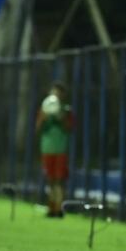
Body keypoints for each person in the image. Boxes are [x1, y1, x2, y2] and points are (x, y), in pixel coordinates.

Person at [36, 82, 73, 218]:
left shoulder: (67, 110)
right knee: (50, 179)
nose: (56, 94)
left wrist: (61, 117)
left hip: (60, 150)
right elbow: (38, 128)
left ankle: (59, 208)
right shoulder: (45, 107)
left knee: (59, 179)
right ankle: (51, 207)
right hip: (47, 149)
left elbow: (69, 128)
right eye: (54, 91)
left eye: (59, 92)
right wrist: (43, 117)